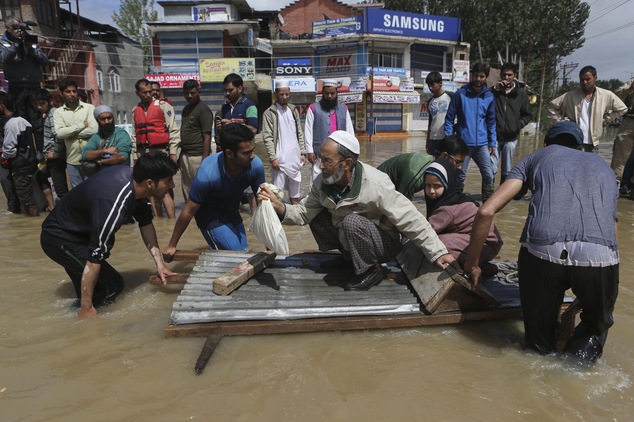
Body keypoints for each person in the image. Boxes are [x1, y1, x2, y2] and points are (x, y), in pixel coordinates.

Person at [463, 121, 619, 364]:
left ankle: (539, 357)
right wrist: (576, 309)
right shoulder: (604, 168)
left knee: (538, 347)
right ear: (581, 148)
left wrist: (473, 264)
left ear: (547, 144)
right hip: (600, 256)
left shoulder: (536, 157)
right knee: (594, 325)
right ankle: (575, 370)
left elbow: (485, 212)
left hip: (542, 251)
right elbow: (611, 235)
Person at [258, 130, 457, 291]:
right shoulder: (322, 183)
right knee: (319, 214)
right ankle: (349, 259)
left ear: (347, 164)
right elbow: (303, 214)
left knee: (351, 221)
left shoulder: (376, 183)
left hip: (385, 244)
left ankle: (371, 270)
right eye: (321, 159)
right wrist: (280, 206)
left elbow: (411, 218)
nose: (321, 166)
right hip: (352, 238)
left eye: (327, 161)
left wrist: (438, 252)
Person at [40, 151, 179, 318]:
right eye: (168, 181)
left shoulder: (137, 184)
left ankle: (76, 313)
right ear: (150, 183)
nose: (172, 186)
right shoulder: (114, 202)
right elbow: (95, 256)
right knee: (112, 286)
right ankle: (84, 319)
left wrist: (160, 265)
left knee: (92, 290)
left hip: (79, 233)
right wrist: (86, 308)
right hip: (60, 239)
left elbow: (146, 222)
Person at [163, 123, 265, 256]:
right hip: (209, 216)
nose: (252, 155)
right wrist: (172, 245)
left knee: (244, 250)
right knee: (236, 253)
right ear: (229, 153)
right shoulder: (208, 174)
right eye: (246, 153)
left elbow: (264, 203)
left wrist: (268, 242)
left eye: (253, 150)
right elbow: (188, 211)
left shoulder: (255, 166)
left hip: (232, 212)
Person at [423, 157, 502, 274]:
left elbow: (426, 232)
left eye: (437, 186)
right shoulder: (451, 198)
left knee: (437, 242)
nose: (431, 191)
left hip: (486, 243)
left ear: (447, 184)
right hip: (479, 240)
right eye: (427, 185)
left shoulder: (447, 209)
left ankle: (480, 267)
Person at [445, 63, 497, 202]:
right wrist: (450, 140)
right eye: (476, 75)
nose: (478, 79)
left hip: (482, 144)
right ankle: (455, 202)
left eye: (482, 76)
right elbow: (449, 118)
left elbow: (491, 121)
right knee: (460, 175)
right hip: (463, 145)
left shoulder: (489, 97)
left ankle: (488, 206)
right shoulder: (460, 94)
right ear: (472, 75)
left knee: (488, 174)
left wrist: (492, 142)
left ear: (486, 78)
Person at [548, 65, 626, 152]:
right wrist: (561, 122)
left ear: (595, 78)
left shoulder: (605, 95)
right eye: (582, 80)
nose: (584, 82)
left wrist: (605, 119)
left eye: (588, 79)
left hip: (593, 143)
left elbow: (622, 108)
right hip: (573, 140)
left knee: (590, 165)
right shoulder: (570, 96)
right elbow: (552, 107)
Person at [132, 78, 180, 217]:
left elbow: (173, 131)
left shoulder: (164, 106)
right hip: (144, 153)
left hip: (161, 151)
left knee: (163, 188)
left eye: (150, 92)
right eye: (144, 92)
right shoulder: (135, 110)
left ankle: (171, 221)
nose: (148, 95)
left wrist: (173, 153)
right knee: (150, 190)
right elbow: (134, 136)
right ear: (137, 93)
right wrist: (135, 157)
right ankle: (158, 220)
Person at [0, 93, 52, 216]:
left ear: (2, 106)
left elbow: (10, 149)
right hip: (30, 162)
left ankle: (33, 222)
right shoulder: (24, 121)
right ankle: (28, 222)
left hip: (20, 165)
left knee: (27, 201)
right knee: (25, 198)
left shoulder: (11, 124)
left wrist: (3, 158)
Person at [0, 16, 49, 144]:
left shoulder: (31, 40)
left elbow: (44, 60)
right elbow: (5, 58)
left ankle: (40, 150)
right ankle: (25, 149)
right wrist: (16, 44)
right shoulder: (3, 42)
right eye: (15, 27)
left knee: (36, 118)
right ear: (8, 28)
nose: (18, 30)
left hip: (33, 85)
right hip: (17, 86)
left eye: (20, 27)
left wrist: (32, 49)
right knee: (20, 118)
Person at [378, 136, 469, 200]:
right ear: (444, 155)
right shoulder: (416, 174)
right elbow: (401, 205)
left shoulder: (437, 171)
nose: (459, 167)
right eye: (457, 162)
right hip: (378, 188)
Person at [261, 80, 306, 204]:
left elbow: (299, 132)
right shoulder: (269, 113)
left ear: (289, 93)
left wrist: (303, 152)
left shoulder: (293, 110)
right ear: (276, 94)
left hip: (295, 158)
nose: (284, 97)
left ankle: (295, 220)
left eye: (287, 94)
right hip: (279, 160)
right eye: (281, 94)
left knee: (295, 195)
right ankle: (277, 221)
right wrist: (273, 157)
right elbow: (267, 137)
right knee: (277, 193)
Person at [304, 79, 355, 182]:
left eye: (332, 93)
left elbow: (350, 131)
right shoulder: (313, 108)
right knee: (317, 177)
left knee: (338, 176)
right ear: (322, 92)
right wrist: (309, 151)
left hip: (339, 151)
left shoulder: (343, 109)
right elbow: (308, 130)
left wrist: (352, 149)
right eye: (327, 93)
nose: (330, 96)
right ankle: (316, 197)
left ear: (337, 93)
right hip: (319, 151)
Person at [53, 78, 98, 188]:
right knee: (77, 192)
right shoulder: (58, 112)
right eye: (68, 92)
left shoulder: (89, 108)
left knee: (93, 188)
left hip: (90, 157)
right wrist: (81, 126)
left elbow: (94, 129)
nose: (72, 94)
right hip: (72, 159)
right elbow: (60, 133)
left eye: (74, 91)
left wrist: (70, 133)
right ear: (62, 93)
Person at [492, 63, 532, 183]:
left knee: (507, 171)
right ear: (500, 75)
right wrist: (496, 89)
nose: (506, 77)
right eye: (504, 74)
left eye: (509, 75)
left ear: (514, 75)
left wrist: (517, 125)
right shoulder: (494, 92)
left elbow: (528, 115)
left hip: (511, 137)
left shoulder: (521, 94)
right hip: (494, 136)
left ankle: (503, 199)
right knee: (491, 169)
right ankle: (488, 198)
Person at [179, 79, 213, 200]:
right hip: (185, 155)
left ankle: (204, 214)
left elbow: (207, 137)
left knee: (200, 188)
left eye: (192, 93)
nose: (189, 96)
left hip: (198, 156)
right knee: (186, 188)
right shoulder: (186, 109)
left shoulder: (204, 110)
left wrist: (205, 160)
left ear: (199, 92)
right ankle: (191, 216)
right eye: (186, 93)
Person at [35, 88, 68, 200]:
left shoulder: (53, 114)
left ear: (50, 102)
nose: (39, 107)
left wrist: (55, 154)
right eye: (37, 104)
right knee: (41, 177)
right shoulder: (48, 114)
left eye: (42, 104)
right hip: (52, 157)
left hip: (55, 157)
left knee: (61, 190)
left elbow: (58, 135)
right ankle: (52, 208)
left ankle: (66, 214)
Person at [609, 77, 634, 192]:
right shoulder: (632, 82)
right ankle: (614, 184)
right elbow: (617, 95)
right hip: (630, 120)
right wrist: (630, 88)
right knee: (620, 152)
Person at [216, 73, 259, 137]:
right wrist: (220, 127)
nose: (227, 93)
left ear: (239, 88)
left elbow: (253, 130)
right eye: (225, 90)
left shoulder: (249, 106)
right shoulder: (225, 108)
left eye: (230, 90)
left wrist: (232, 125)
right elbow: (222, 134)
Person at [425, 71, 452, 155]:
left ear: (440, 83)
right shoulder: (430, 102)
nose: (430, 88)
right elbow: (430, 122)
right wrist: (427, 141)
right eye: (428, 85)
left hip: (446, 138)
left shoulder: (451, 97)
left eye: (433, 85)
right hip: (433, 139)